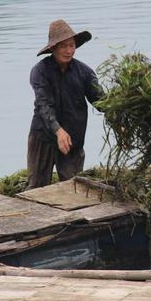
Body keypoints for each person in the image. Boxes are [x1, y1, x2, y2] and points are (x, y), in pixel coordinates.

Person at [26, 19, 103, 189]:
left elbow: (100, 101)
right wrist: (58, 131)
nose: (69, 51)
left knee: (73, 188)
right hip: (43, 137)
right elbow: (43, 105)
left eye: (72, 46)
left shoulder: (84, 72)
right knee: (37, 189)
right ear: (53, 48)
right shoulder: (40, 71)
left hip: (73, 138)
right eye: (64, 46)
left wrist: (119, 108)